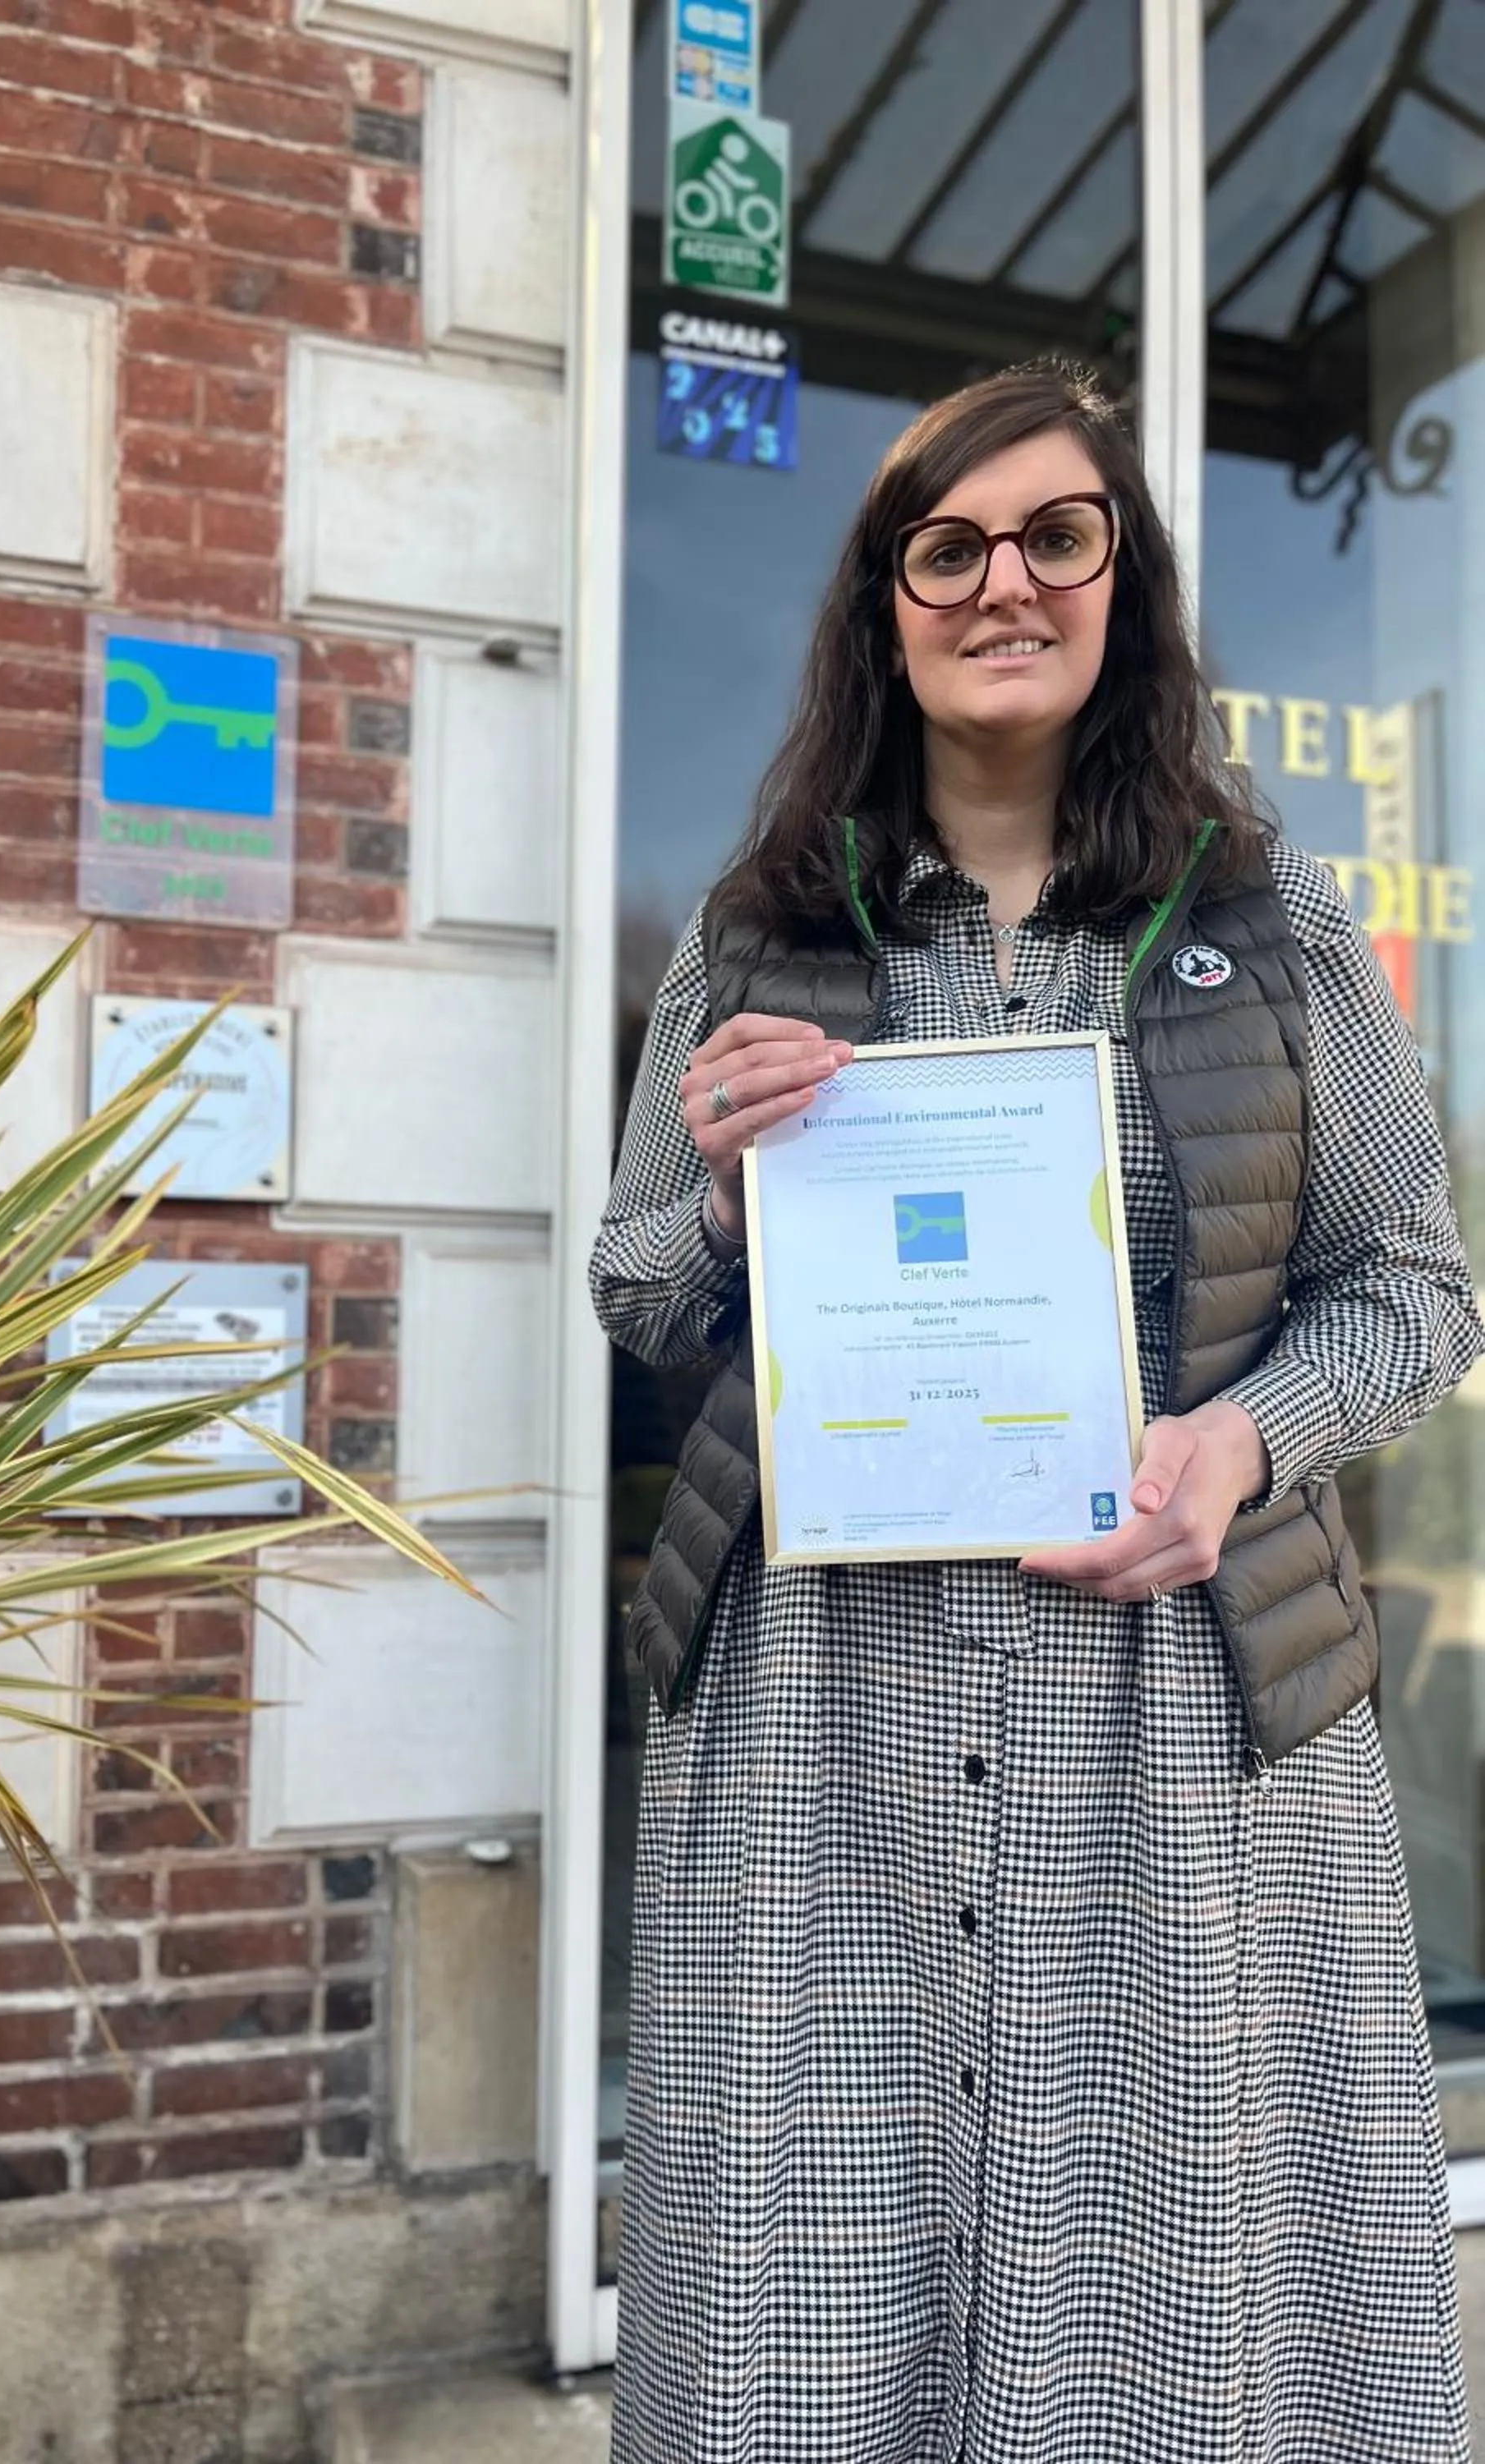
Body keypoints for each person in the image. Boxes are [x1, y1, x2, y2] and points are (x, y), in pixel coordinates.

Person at [592, 361, 1483, 2463]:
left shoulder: (1276, 931)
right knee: (821, 2319)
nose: (1006, 582)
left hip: (1187, 1712)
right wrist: (723, 1198)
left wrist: (1239, 1447)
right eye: (950, 547)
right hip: (827, 1723)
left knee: (1167, 2327)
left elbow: (1417, 1291)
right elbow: (639, 1283)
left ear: (1123, 582)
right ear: (885, 608)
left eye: (1057, 535)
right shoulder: (754, 935)